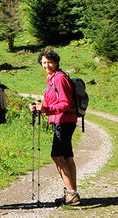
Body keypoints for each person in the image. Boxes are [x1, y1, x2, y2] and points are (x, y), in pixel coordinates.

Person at [28, 49, 80, 206]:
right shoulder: (53, 78)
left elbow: (66, 103)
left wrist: (46, 110)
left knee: (57, 156)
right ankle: (72, 193)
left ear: (56, 62)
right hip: (64, 120)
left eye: (49, 62)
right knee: (67, 157)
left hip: (64, 121)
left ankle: (71, 194)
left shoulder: (59, 78)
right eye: (43, 63)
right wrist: (42, 107)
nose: (46, 65)